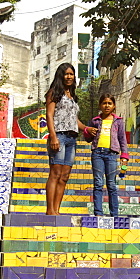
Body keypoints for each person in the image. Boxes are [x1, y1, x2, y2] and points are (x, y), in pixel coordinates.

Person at [44, 63, 93, 215]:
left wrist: (86, 128)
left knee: (64, 177)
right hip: (59, 136)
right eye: (66, 74)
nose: (69, 77)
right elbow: (49, 115)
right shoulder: (54, 93)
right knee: (55, 174)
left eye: (71, 74)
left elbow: (74, 120)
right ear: (61, 75)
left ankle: (57, 210)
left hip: (72, 139)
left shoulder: (73, 97)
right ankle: (50, 210)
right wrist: (53, 137)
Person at [87, 94, 129, 218]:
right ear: (100, 105)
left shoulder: (118, 121)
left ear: (114, 106)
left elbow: (122, 139)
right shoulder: (95, 121)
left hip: (112, 154)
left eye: (109, 103)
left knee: (111, 184)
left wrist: (124, 156)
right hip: (97, 154)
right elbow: (88, 139)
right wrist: (88, 131)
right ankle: (98, 213)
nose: (107, 106)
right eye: (104, 103)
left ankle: (114, 214)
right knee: (98, 183)